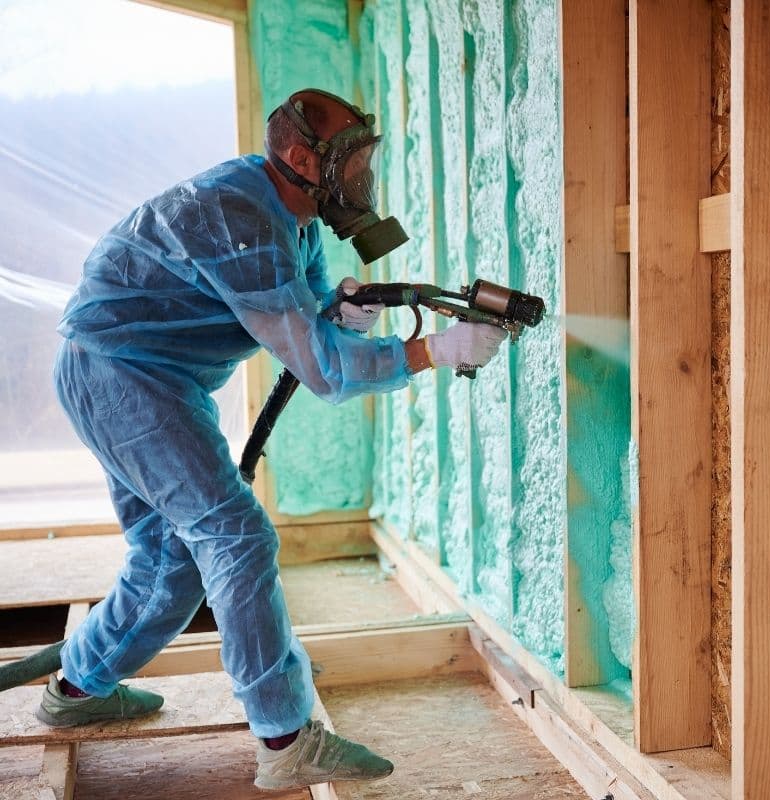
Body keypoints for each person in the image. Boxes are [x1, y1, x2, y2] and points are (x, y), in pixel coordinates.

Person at [40, 88, 506, 790]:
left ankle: (78, 688)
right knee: (234, 537)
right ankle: (284, 738)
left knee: (174, 554)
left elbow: (312, 329)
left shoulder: (297, 220)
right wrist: (435, 351)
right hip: (122, 375)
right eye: (352, 163)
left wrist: (342, 315)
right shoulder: (244, 218)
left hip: (142, 375)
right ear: (300, 157)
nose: (362, 181)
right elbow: (322, 372)